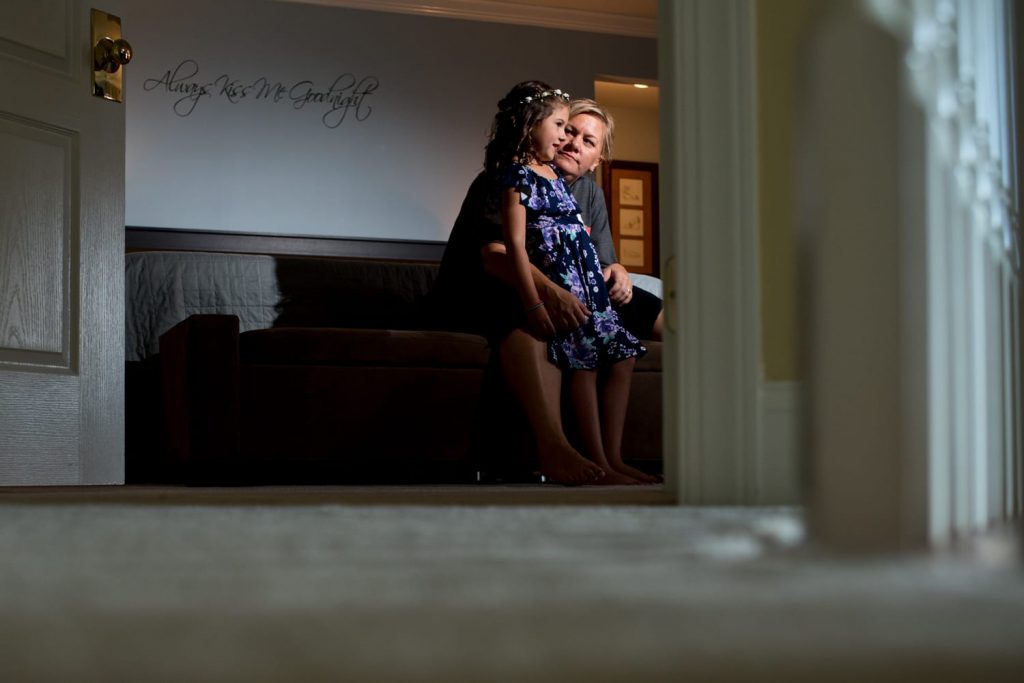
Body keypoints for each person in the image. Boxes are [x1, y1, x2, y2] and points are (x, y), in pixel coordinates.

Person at [428, 91, 660, 486]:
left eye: (587, 140)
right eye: (568, 130)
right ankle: (554, 446)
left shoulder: (589, 191)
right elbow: (497, 253)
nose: (572, 142)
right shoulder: (507, 176)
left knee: (643, 309)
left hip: (577, 283)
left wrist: (619, 270)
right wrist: (550, 294)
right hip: (495, 283)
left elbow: (603, 259)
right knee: (530, 312)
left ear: (597, 160)